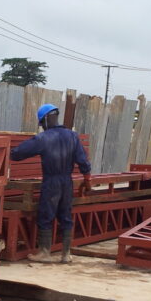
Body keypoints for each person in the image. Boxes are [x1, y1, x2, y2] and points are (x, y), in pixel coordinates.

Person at [10, 104, 92, 263]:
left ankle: (45, 252)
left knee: (46, 214)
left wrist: (6, 152)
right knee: (66, 215)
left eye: (41, 123)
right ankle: (66, 254)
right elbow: (83, 160)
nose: (42, 127)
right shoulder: (73, 136)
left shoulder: (43, 138)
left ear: (45, 119)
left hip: (52, 181)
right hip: (67, 182)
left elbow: (18, 154)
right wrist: (87, 179)